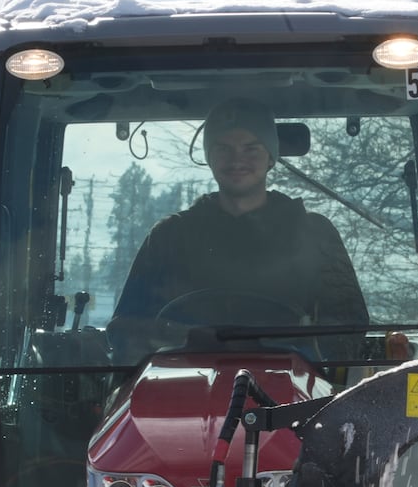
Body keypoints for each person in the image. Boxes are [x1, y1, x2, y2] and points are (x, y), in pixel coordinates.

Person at [108, 97, 368, 363]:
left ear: (270, 157)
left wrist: (300, 351)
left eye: (251, 149)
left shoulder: (314, 234)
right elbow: (125, 327)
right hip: (182, 384)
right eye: (223, 148)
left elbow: (348, 326)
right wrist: (176, 337)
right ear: (209, 157)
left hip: (295, 392)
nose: (237, 160)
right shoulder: (169, 237)